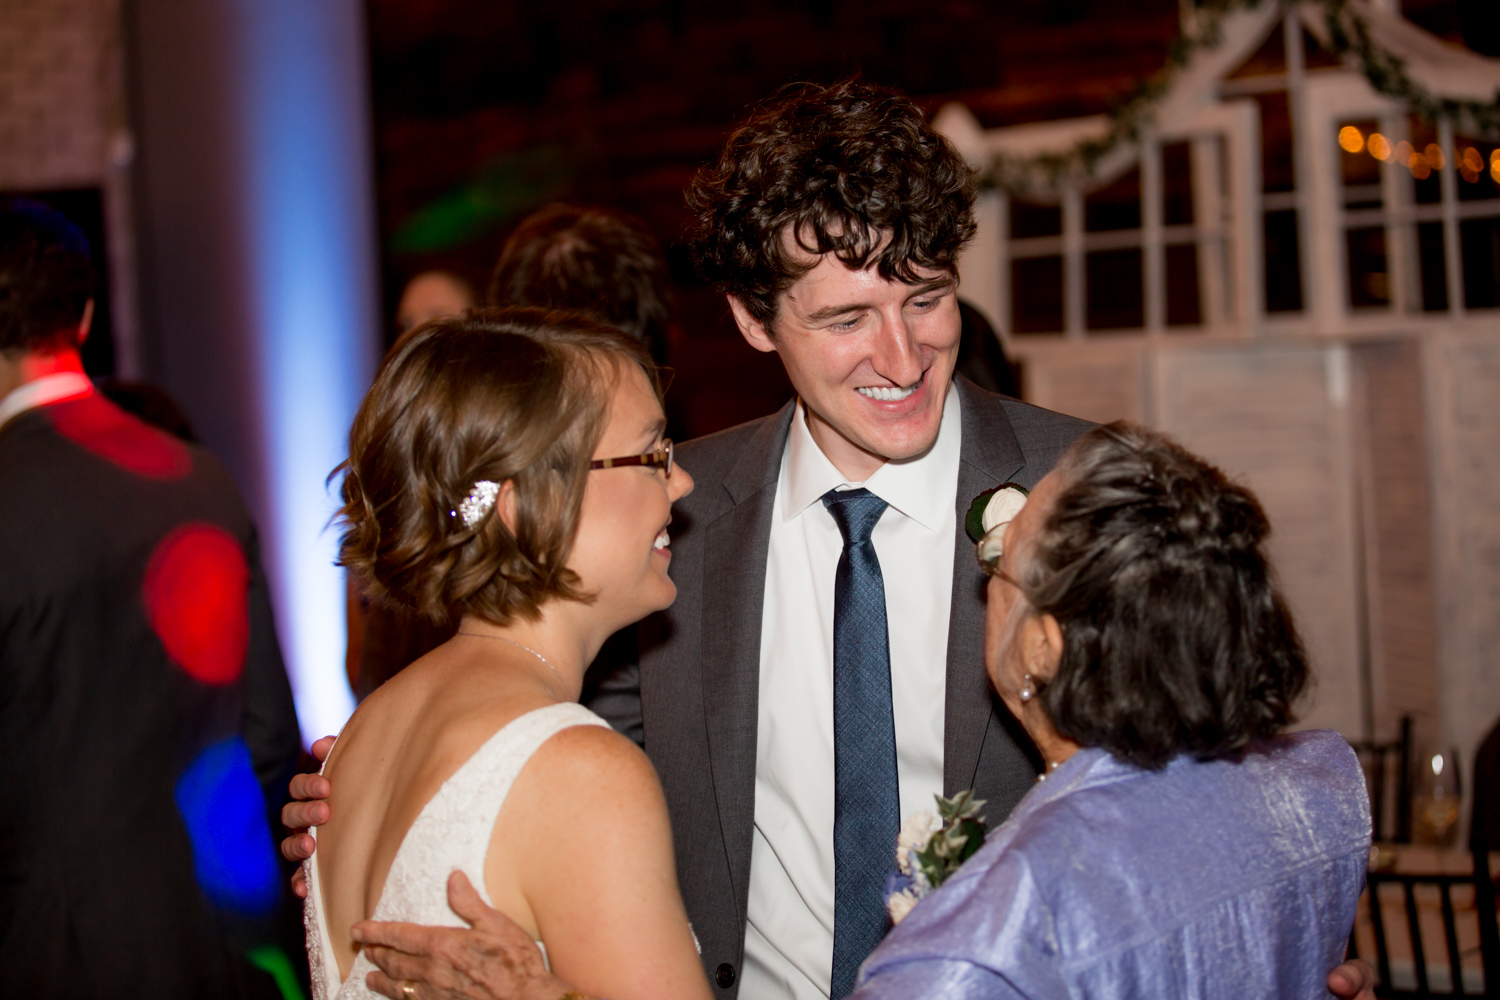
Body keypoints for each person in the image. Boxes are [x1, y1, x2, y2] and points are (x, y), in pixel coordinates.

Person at [280, 79, 1377, 1000]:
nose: (901, 355)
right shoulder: (663, 519)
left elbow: (1220, 780)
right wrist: (381, 798)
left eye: (927, 298)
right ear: (754, 320)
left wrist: (1275, 945)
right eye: (847, 318)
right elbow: (530, 749)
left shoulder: (1084, 489)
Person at [848, 421, 1370, 997]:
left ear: (1043, 648)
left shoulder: (993, 937)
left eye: (998, 555)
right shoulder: (1311, 797)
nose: (986, 583)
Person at [303, 309, 707, 1000]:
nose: (682, 482)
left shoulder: (360, 736)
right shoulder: (579, 772)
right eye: (652, 457)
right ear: (520, 505)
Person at [0, 200, 302, 995]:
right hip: (219, 940)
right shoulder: (198, 478)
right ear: (85, 317)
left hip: (45, 956)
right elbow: (268, 733)